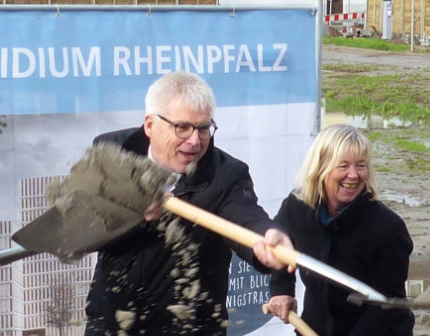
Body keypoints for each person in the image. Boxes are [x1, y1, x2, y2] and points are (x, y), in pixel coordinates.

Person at [84, 71, 295, 335]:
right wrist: (131, 213)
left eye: (203, 128)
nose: (195, 141)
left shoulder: (226, 175)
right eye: (182, 127)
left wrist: (267, 237)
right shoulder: (111, 152)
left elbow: (247, 217)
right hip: (112, 326)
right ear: (150, 125)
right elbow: (86, 224)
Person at [264, 125, 414, 335]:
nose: (353, 175)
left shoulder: (388, 229)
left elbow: (385, 307)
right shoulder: (296, 209)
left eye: (360, 166)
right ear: (320, 168)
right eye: (343, 166)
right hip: (315, 327)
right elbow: (280, 249)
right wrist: (282, 290)